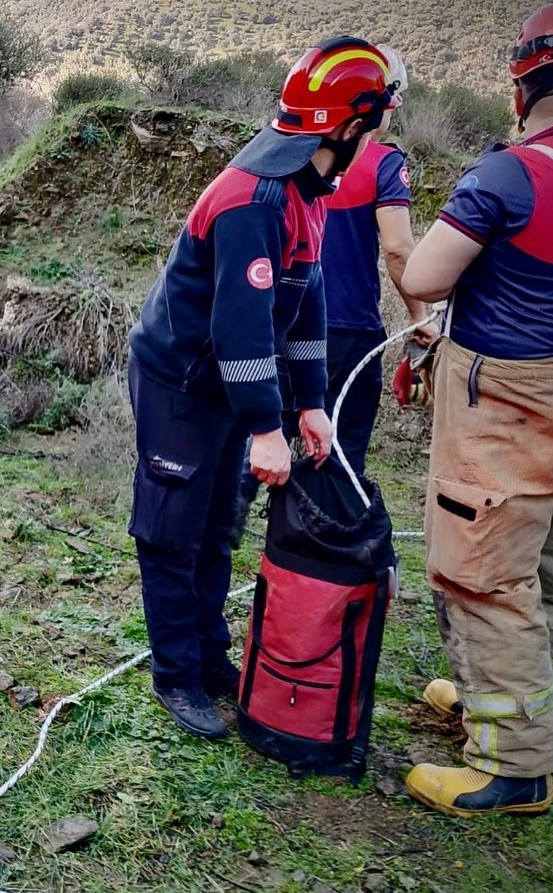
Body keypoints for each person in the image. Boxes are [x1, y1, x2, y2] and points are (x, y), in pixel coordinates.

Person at [400, 1, 553, 817]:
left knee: (481, 575)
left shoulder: (511, 172)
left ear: (520, 87)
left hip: (516, 405)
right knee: (536, 560)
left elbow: (424, 278)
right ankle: (493, 698)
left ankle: (513, 768)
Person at [127, 37, 398, 739]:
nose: (381, 131)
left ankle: (210, 657)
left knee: (219, 527)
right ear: (347, 124)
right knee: (171, 533)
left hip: (226, 381)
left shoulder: (311, 188)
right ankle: (175, 676)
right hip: (181, 380)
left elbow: (305, 303)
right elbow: (240, 327)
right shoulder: (255, 198)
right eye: (378, 119)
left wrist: (308, 402)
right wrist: (265, 426)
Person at [232, 46, 438, 544]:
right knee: (339, 454)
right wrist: (422, 320)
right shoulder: (385, 164)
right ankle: (314, 566)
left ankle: (221, 536)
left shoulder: (287, 158)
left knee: (259, 443)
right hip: (351, 332)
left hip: (286, 326)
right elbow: (397, 249)